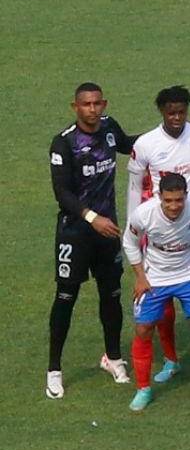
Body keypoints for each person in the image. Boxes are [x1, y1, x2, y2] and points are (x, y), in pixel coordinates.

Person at [127, 85, 190, 383]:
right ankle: (171, 359)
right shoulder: (146, 144)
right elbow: (134, 187)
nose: (177, 117)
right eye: (171, 113)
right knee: (162, 300)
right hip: (159, 229)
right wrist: (135, 225)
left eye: (181, 112)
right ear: (162, 112)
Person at [46, 83, 133, 398]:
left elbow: (129, 144)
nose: (93, 109)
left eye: (97, 103)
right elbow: (62, 193)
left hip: (107, 233)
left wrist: (172, 130)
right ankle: (54, 370)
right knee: (66, 297)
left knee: (111, 295)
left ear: (104, 104)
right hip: (75, 232)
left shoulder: (109, 128)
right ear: (76, 107)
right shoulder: (64, 143)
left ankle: (113, 358)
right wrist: (92, 218)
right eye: (86, 104)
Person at [122, 173, 190, 411]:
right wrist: (140, 277)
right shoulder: (143, 214)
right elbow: (129, 242)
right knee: (143, 329)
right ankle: (143, 389)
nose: (173, 206)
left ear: (186, 196)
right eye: (168, 200)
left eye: (179, 200)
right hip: (155, 277)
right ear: (159, 196)